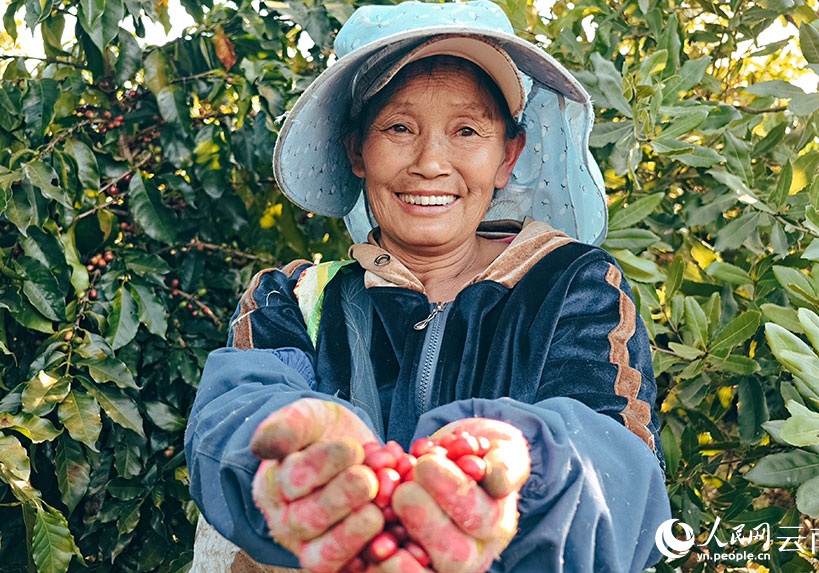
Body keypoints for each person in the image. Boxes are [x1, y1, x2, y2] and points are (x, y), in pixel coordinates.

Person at [185, 1, 672, 572]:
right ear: (356, 149)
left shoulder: (575, 287)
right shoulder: (292, 298)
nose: (431, 162)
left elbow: (617, 462)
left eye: (467, 130)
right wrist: (293, 454)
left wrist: (523, 465)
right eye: (398, 128)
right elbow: (236, 409)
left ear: (506, 157)